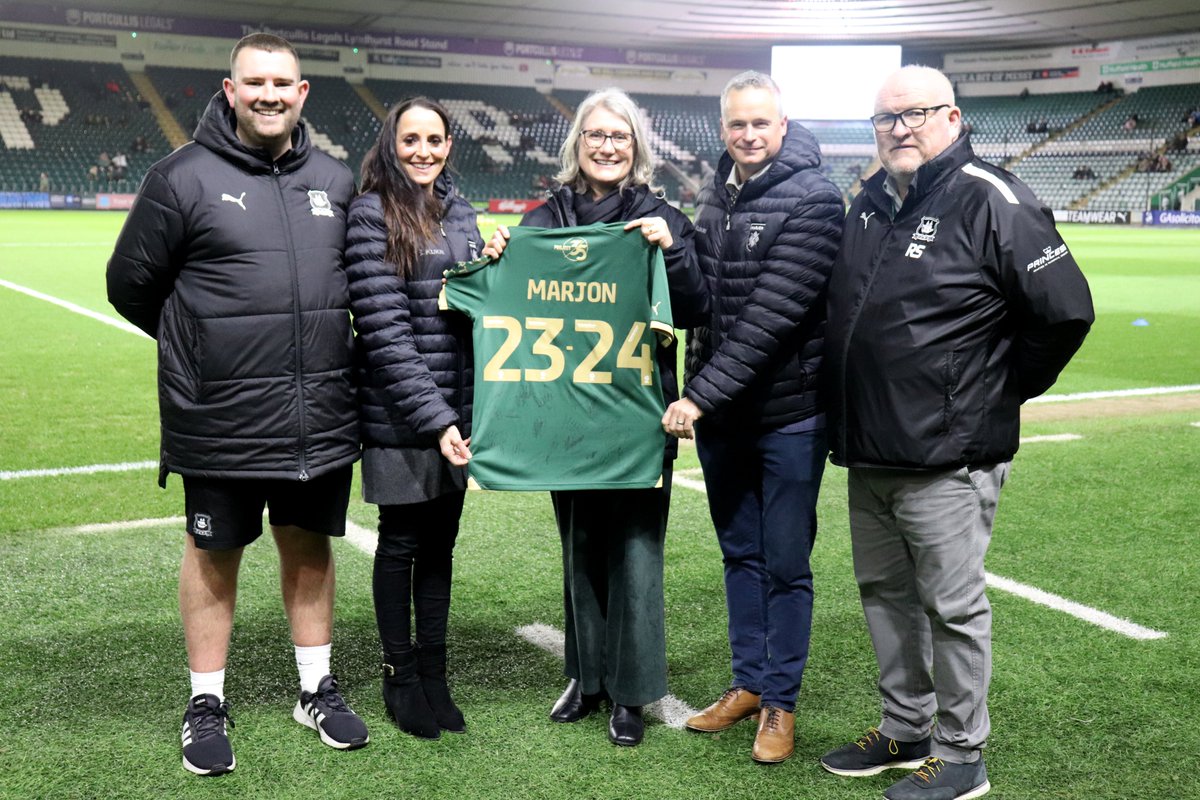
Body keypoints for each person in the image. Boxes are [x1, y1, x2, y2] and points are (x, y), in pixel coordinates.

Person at [821, 65, 1093, 800]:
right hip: (870, 447)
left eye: (914, 114)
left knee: (952, 606)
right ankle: (904, 727)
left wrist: (995, 392)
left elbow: (1065, 311)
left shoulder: (990, 196)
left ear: (952, 116)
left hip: (948, 454)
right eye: (886, 119)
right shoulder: (870, 200)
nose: (899, 129)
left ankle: (963, 752)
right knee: (884, 594)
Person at [106, 33, 367, 777]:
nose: (269, 95)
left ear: (303, 92)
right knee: (214, 554)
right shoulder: (181, 176)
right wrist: (198, 349)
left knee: (309, 548)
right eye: (254, 82)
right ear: (230, 90)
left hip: (317, 413)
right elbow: (130, 284)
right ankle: (205, 701)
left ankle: (315, 687)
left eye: (282, 83)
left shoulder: (337, 180)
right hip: (219, 416)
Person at [484, 87, 707, 747]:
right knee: (580, 548)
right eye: (595, 135)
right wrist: (500, 257)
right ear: (576, 144)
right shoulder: (543, 217)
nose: (607, 146)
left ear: (636, 147)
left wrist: (671, 249)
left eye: (620, 136)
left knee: (635, 555)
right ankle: (586, 678)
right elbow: (505, 304)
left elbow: (695, 305)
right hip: (566, 418)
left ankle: (632, 695)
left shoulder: (661, 217)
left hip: (638, 420)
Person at [661, 70, 844, 764]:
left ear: (783, 124)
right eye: (736, 124)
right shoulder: (717, 195)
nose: (747, 134)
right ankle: (747, 684)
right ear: (722, 127)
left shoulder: (816, 198)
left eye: (760, 123)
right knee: (740, 554)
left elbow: (772, 316)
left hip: (789, 415)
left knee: (786, 565)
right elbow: (702, 302)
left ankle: (780, 705)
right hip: (726, 419)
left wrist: (699, 396)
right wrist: (670, 246)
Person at [345, 97, 480, 740]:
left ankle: (435, 675)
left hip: (455, 416)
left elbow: (478, 309)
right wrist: (436, 419)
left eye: (434, 139)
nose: (423, 151)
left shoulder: (462, 214)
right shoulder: (372, 213)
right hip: (402, 416)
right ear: (390, 144)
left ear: (449, 144)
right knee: (401, 544)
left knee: (440, 548)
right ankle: (399, 678)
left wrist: (496, 257)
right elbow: (384, 333)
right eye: (410, 140)